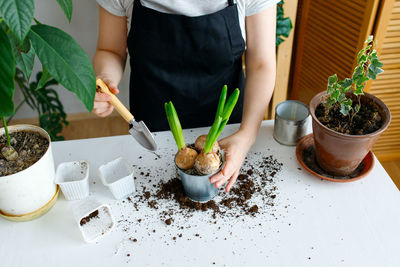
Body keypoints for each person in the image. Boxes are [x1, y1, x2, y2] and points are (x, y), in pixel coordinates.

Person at [92, 0, 277, 192]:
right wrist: (105, 78)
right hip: (152, 132)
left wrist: (246, 135)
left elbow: (261, 64)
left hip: (229, 134)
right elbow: (110, 50)